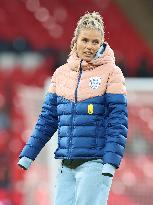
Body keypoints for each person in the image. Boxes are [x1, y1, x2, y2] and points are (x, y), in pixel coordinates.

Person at [17, 11, 128, 205]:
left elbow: (118, 122)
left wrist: (110, 162)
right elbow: (47, 119)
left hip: (96, 164)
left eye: (95, 42)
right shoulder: (60, 74)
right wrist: (28, 154)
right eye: (85, 40)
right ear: (75, 40)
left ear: (101, 42)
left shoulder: (112, 73)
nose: (89, 46)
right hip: (66, 164)